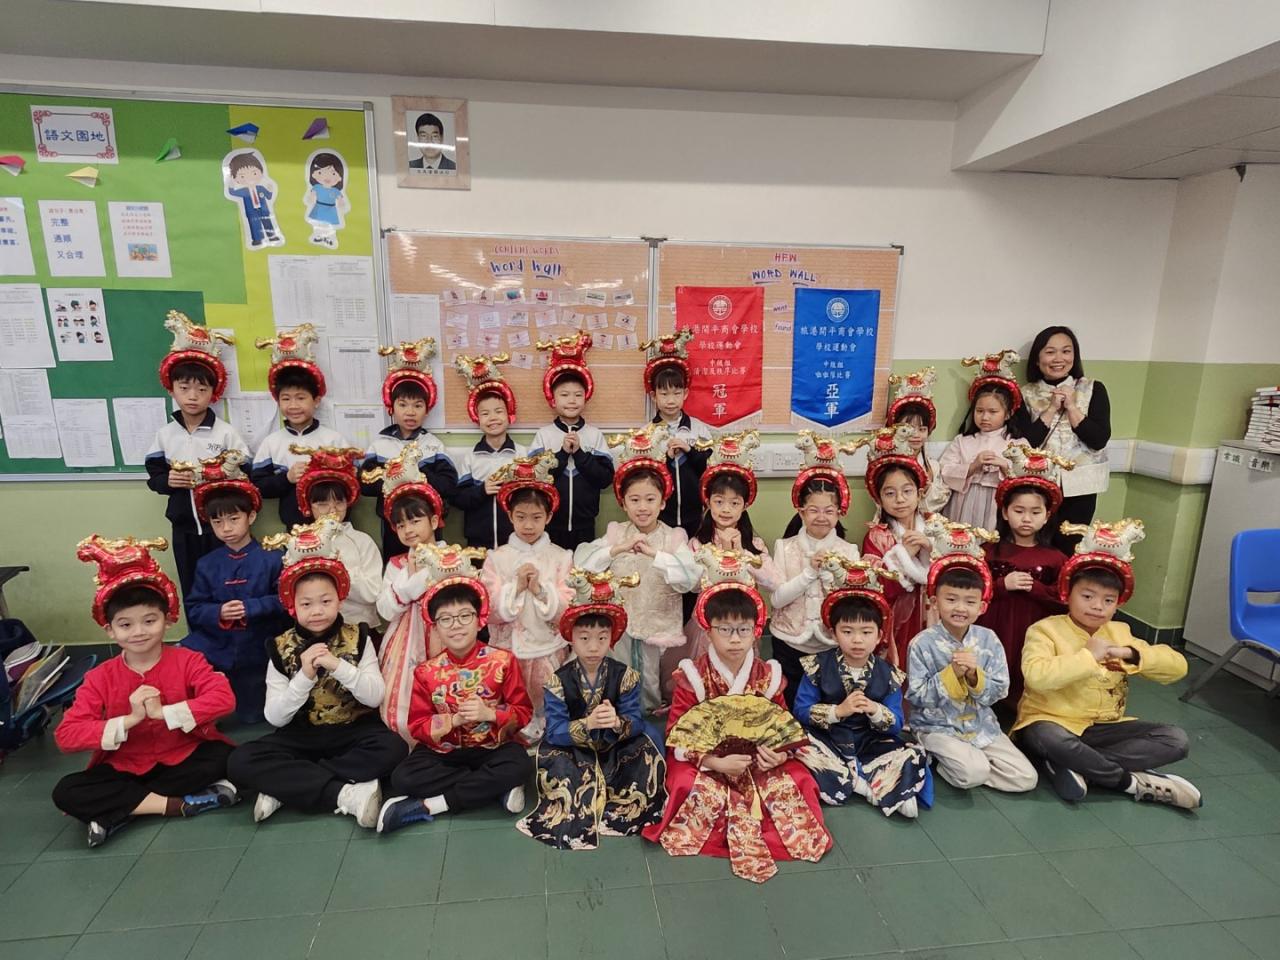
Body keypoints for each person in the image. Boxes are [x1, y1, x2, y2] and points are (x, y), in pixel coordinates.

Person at [644, 552, 832, 883]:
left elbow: (783, 726)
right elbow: (676, 733)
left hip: (757, 760)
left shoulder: (768, 676)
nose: (734, 639)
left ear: (756, 632)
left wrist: (778, 754)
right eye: (725, 629)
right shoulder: (693, 676)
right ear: (708, 631)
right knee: (685, 783)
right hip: (708, 760)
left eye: (743, 630)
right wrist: (715, 762)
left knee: (800, 780)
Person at [54, 536, 237, 848]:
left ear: (167, 620)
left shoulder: (188, 660)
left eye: (149, 621)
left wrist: (163, 713)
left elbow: (224, 700)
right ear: (110, 630)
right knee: (66, 791)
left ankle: (118, 811)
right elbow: (66, 736)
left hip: (184, 757)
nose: (138, 632)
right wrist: (129, 720)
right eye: (125, 625)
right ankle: (175, 805)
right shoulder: (99, 677)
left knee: (232, 758)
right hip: (125, 768)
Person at [227, 518, 407, 828]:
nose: (317, 611)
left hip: (354, 730)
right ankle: (343, 792)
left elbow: (375, 696)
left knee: (395, 749)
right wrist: (304, 676)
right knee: (239, 761)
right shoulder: (279, 646)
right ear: (292, 606)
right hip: (300, 735)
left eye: (326, 601)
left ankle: (287, 786)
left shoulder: (359, 636)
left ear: (339, 600)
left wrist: (339, 666)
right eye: (307, 604)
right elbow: (275, 717)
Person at [1013, 518, 1201, 809]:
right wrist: (1088, 658)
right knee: (1050, 738)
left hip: (1104, 729)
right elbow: (1036, 676)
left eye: (1108, 600)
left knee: (1176, 740)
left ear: (1118, 604)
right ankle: (1128, 782)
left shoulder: (1120, 633)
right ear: (1067, 594)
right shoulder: (1045, 630)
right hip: (1052, 722)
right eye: (1087, 596)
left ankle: (1076, 765)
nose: (1097, 606)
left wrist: (1131, 654)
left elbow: (1178, 667)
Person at [376, 546, 534, 832]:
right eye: (446, 619)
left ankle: (432, 805)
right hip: (445, 753)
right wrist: (453, 720)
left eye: (464, 616)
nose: (456, 626)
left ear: (479, 619)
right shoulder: (426, 671)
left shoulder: (502, 661)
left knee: (520, 764)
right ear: (435, 626)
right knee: (403, 777)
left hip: (492, 747)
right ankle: (492, 788)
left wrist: (490, 714)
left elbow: (523, 712)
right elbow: (418, 725)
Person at [516, 569, 666, 849]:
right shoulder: (557, 681)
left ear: (612, 639)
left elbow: (635, 720)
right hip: (574, 748)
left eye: (601, 638)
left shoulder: (626, 676)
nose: (594, 647)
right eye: (584, 638)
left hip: (614, 744)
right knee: (556, 761)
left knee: (646, 745)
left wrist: (618, 722)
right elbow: (555, 731)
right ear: (571, 638)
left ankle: (621, 807)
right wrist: (587, 724)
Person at [794, 558, 934, 816]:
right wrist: (838, 712)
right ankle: (870, 786)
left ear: (879, 635)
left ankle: (863, 780)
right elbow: (801, 710)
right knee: (799, 745)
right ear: (833, 633)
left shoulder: (889, 674)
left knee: (911, 753)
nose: (857, 640)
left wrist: (875, 710)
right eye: (847, 631)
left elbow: (896, 723)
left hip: (871, 742)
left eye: (866, 632)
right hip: (828, 739)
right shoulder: (817, 665)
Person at [575, 424, 700, 711]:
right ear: (623, 504)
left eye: (650, 499)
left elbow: (691, 580)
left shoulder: (673, 537)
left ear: (663, 502)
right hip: (620, 626)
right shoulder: (617, 532)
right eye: (634, 500)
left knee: (651, 683)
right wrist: (616, 548)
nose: (642, 507)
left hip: (658, 626)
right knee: (617, 680)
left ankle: (650, 722)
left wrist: (656, 554)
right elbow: (582, 564)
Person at [905, 527, 1038, 793]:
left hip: (980, 724)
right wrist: (951, 674)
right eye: (951, 599)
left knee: (1026, 779)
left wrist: (974, 676)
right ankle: (948, 759)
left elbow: (1000, 690)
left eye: (969, 602)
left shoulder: (989, 639)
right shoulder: (921, 643)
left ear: (982, 607)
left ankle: (973, 763)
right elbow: (917, 697)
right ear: (935, 602)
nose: (960, 608)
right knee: (972, 773)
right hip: (937, 726)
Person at [145, 311, 248, 602]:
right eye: (184, 388)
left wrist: (223, 475)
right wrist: (168, 481)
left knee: (228, 587)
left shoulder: (226, 433)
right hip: (184, 528)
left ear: (213, 393)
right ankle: (198, 628)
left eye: (201, 389)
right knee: (193, 589)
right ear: (172, 389)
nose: (193, 396)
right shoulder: (165, 435)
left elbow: (246, 473)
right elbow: (154, 477)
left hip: (222, 527)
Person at [182, 453, 289, 724]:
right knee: (183, 654)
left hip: (261, 638)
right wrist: (218, 612)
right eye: (217, 522)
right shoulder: (207, 563)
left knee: (256, 713)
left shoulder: (273, 557)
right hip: (219, 641)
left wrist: (251, 607)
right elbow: (194, 608)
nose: (226, 528)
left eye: (233, 519)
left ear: (251, 516)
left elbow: (287, 601)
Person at [480, 453, 573, 740]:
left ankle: (550, 734)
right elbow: (486, 608)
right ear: (509, 516)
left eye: (536, 517)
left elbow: (570, 607)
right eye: (520, 517)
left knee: (550, 699)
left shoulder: (560, 557)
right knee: (513, 701)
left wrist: (541, 591)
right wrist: (515, 588)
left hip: (549, 647)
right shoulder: (497, 558)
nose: (528, 525)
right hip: (509, 648)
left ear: (549, 517)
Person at [979, 446, 1071, 719]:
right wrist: (1001, 585)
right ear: (1005, 513)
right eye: (1019, 510)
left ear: (1047, 516)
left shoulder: (1056, 558)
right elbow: (973, 590)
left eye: (1035, 512)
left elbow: (1065, 598)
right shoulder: (988, 551)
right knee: (994, 662)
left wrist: (1037, 588)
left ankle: (1024, 710)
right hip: (995, 625)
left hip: (1034, 627)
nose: (1026, 518)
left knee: (1026, 663)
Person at [770, 432, 861, 705]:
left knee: (826, 707)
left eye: (829, 511)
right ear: (801, 512)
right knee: (790, 705)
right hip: (788, 641)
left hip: (830, 643)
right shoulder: (784, 547)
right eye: (813, 510)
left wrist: (832, 578)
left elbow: (849, 605)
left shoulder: (849, 551)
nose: (821, 517)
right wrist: (809, 573)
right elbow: (777, 599)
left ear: (839, 512)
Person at [367, 441, 447, 742]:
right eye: (401, 525)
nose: (409, 530)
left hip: (446, 633)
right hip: (405, 637)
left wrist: (417, 580)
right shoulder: (397, 563)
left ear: (434, 520)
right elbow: (385, 609)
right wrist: (410, 583)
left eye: (415, 521)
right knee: (403, 695)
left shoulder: (450, 556)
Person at [685, 432, 780, 661]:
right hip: (709, 622)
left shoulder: (754, 544)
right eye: (719, 502)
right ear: (708, 502)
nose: (726, 509)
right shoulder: (698, 542)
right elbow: (692, 586)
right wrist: (718, 556)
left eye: (734, 503)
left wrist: (740, 552)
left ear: (744, 506)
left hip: (743, 622)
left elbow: (773, 581)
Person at [1016, 326, 1113, 551]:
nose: (1059, 358)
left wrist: (1071, 407)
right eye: (1050, 352)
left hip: (1082, 484)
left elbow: (1099, 439)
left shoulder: (1093, 389)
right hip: (1038, 483)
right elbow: (1025, 443)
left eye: (1066, 351)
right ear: (1037, 359)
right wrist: (1051, 409)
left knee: (1070, 546)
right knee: (1034, 545)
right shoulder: (1025, 393)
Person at [362, 338, 457, 558]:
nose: (410, 412)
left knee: (431, 562)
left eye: (417, 405)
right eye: (403, 405)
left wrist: (417, 475)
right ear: (391, 407)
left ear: (427, 409)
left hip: (428, 523)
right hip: (394, 523)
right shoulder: (380, 444)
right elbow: (364, 483)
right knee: (397, 567)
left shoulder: (433, 445)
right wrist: (394, 478)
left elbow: (449, 484)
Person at [251, 325, 351, 530]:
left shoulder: (333, 440)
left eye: (301, 398)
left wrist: (329, 470)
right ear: (278, 401)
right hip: (294, 528)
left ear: (316, 400)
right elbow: (259, 486)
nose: (293, 406)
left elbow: (351, 482)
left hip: (335, 525)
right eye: (286, 399)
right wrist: (286, 478)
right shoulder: (272, 443)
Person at [856, 425, 934, 669]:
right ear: (879, 499)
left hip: (933, 614)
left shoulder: (936, 528)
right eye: (890, 493)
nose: (900, 499)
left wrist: (930, 547)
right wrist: (903, 557)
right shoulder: (877, 537)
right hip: (895, 621)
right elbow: (876, 587)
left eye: (907, 491)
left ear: (919, 493)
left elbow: (952, 573)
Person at [528, 333, 615, 549]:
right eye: (564, 395)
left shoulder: (594, 435)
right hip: (549, 522)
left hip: (585, 524)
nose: (572, 400)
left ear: (586, 397)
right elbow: (534, 478)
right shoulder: (544, 435)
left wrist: (579, 454)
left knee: (583, 566)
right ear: (553, 399)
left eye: (577, 395)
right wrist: (561, 454)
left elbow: (605, 478)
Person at [296, 447, 383, 629]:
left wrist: (337, 569)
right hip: (315, 628)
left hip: (359, 626)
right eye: (323, 504)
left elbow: (373, 593)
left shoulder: (362, 541)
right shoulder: (299, 543)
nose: (332, 510)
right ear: (309, 506)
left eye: (339, 502)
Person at [939, 349, 1024, 530]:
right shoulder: (962, 441)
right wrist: (972, 467)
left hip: (999, 504)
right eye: (979, 411)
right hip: (964, 502)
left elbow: (1026, 477)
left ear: (1008, 414)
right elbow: (944, 471)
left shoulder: (1018, 444)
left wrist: (1004, 466)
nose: (985, 417)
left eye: (993, 412)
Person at [449, 353, 525, 549]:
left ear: (509, 415)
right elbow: (459, 498)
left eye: (499, 411)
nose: (493, 418)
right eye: (485, 413)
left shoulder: (522, 454)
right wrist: (482, 490)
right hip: (478, 541)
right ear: (477, 418)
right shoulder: (471, 457)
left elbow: (532, 496)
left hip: (516, 540)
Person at [642, 329, 713, 537]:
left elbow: (710, 468)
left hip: (695, 514)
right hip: (660, 516)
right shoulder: (646, 433)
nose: (670, 400)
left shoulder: (699, 429)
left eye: (676, 393)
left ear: (686, 393)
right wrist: (665, 457)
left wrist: (689, 451)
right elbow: (643, 476)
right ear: (654, 396)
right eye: (664, 394)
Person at [224, 151, 282, 247]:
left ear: (261, 171)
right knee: (254, 225)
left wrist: (270, 190)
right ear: (235, 178)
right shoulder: (244, 191)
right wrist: (230, 185)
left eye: (254, 173)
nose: (249, 178)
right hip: (252, 212)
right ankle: (257, 239)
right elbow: (233, 192)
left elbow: (268, 196)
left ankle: (272, 236)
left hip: (263, 210)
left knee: (267, 222)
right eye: (242, 176)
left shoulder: (260, 188)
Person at [304, 151, 349, 248]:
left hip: (331, 210)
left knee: (329, 225)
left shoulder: (335, 191)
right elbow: (311, 196)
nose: (327, 177)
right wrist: (310, 199)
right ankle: (318, 236)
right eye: (320, 172)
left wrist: (342, 205)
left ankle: (329, 238)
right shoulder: (317, 188)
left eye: (333, 173)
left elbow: (340, 200)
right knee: (318, 224)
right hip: (319, 208)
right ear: (313, 174)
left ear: (340, 177)